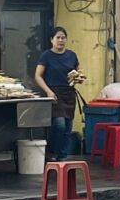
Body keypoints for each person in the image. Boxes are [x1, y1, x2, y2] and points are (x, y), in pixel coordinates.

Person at [33, 25, 83, 161]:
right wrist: (48, 91)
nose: (61, 40)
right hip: (54, 94)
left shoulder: (71, 55)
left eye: (63, 38)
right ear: (52, 40)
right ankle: (52, 152)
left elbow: (78, 72)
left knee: (67, 127)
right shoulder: (46, 56)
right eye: (58, 38)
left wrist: (79, 78)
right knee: (59, 124)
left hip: (69, 94)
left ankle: (62, 156)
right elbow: (38, 76)